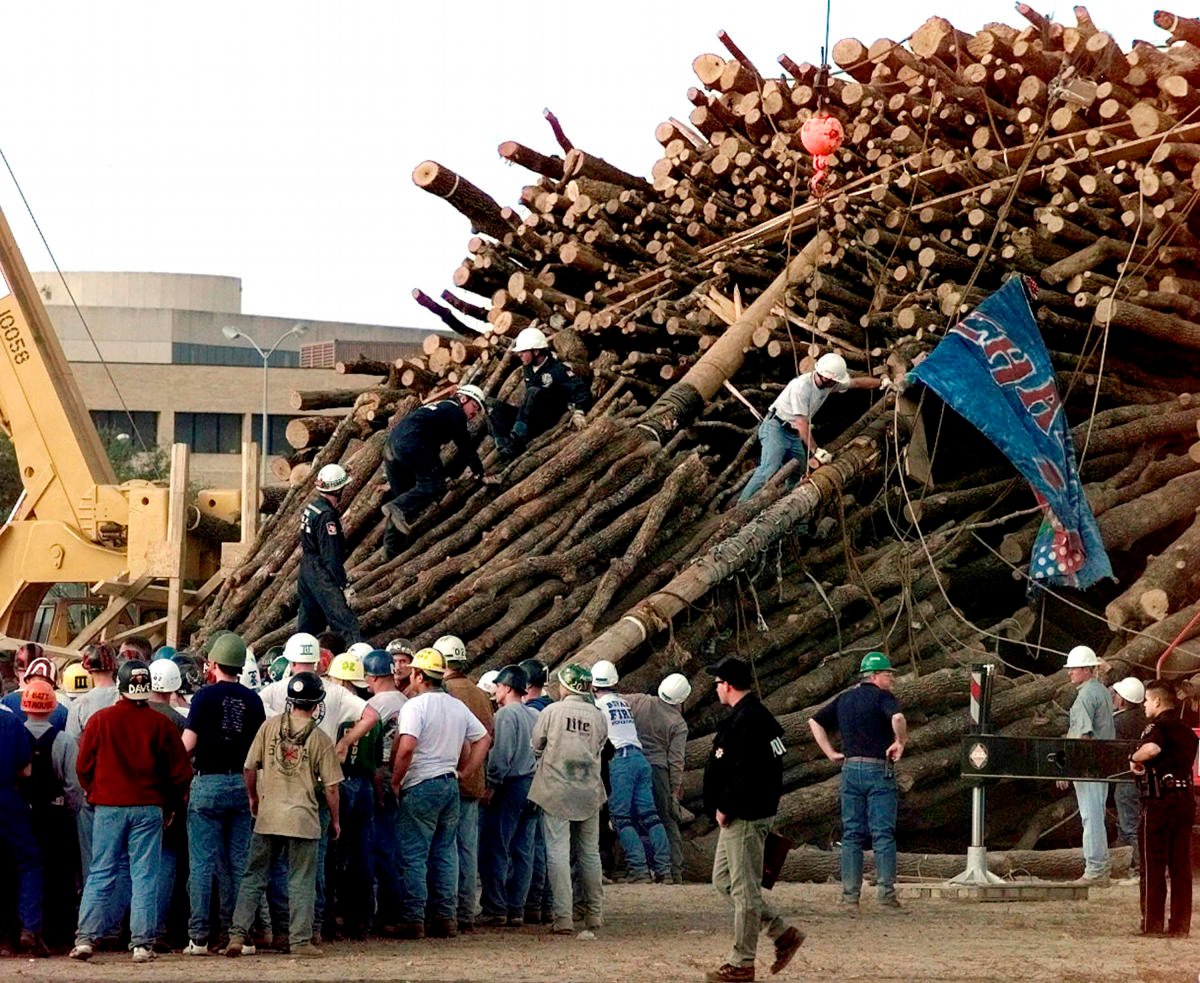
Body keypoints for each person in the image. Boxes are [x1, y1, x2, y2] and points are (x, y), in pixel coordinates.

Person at [70, 660, 192, 963]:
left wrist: (93, 790)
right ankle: (141, 944)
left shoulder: (100, 720)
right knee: (144, 875)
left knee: (101, 872)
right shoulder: (161, 725)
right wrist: (170, 804)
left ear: (121, 687)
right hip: (149, 807)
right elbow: (181, 773)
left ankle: (86, 938)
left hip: (109, 807)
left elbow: (83, 765)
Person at [226, 671, 342, 959]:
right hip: (302, 818)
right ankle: (300, 940)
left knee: (254, 876)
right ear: (317, 704)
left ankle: (237, 936)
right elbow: (331, 788)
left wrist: (254, 798)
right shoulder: (320, 739)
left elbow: (249, 767)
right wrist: (336, 820)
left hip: (269, 815)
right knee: (301, 880)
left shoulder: (270, 727)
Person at [703, 657, 802, 983]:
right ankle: (781, 931)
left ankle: (741, 962)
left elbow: (749, 772)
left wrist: (726, 805)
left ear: (728, 684)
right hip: (743, 814)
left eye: (717, 682)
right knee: (723, 880)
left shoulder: (749, 720)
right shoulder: (753, 716)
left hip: (744, 815)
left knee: (744, 893)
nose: (716, 687)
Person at [390, 647, 490, 939]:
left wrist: (396, 781)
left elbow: (407, 746)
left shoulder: (415, 707)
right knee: (446, 852)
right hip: (449, 784)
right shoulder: (457, 706)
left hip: (421, 784)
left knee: (414, 854)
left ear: (419, 675)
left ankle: (413, 918)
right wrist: (466, 771)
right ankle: (446, 917)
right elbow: (483, 739)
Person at [181, 633, 266, 956]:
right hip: (244, 786)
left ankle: (198, 937)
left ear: (213, 665)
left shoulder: (203, 698)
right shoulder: (253, 700)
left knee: (202, 864)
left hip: (208, 784)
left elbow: (187, 745)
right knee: (240, 863)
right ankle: (238, 935)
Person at [808, 651, 906, 911]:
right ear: (875, 676)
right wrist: (899, 741)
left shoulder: (845, 698)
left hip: (850, 769)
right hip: (878, 769)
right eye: (888, 674)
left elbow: (814, 721)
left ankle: (850, 895)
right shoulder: (884, 698)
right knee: (882, 833)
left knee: (851, 833)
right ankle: (886, 894)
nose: (891, 679)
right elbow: (897, 718)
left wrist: (830, 753)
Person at [738, 352, 886, 503]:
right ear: (824, 377)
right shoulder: (801, 387)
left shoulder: (829, 383)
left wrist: (881, 382)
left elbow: (856, 383)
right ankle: (741, 508)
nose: (835, 383)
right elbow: (802, 422)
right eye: (833, 380)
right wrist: (816, 450)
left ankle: (788, 504)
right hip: (776, 428)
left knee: (798, 471)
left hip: (794, 433)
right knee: (768, 470)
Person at [528, 664, 607, 937]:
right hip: (589, 790)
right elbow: (600, 746)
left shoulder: (551, 712)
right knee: (590, 852)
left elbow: (536, 744)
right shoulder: (597, 716)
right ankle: (595, 913)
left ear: (566, 686)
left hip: (557, 790)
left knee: (558, 852)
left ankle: (563, 917)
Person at [380, 386, 497, 558]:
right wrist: (479, 472)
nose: (476, 413)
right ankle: (395, 507)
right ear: (463, 399)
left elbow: (432, 450)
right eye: (475, 406)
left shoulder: (440, 410)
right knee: (432, 485)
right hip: (411, 444)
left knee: (405, 503)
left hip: (391, 448)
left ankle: (390, 552)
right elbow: (465, 446)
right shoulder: (455, 412)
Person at [591, 659, 671, 883]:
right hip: (640, 758)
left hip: (620, 761)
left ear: (593, 685)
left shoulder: (597, 707)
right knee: (650, 816)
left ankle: (639, 870)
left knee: (621, 819)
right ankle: (665, 870)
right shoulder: (623, 703)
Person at [1130, 679, 1199, 938]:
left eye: (1147, 700)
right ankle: (1180, 925)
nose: (1145, 705)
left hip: (1159, 801)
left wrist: (1133, 758)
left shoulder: (1158, 726)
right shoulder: (1187, 732)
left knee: (1153, 864)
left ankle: (1153, 923)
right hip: (1185, 801)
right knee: (1181, 866)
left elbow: (1152, 748)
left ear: (1157, 701)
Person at [436, 634, 495, 932]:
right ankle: (467, 911)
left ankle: (447, 909)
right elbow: (489, 735)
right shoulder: (480, 694)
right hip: (474, 779)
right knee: (467, 847)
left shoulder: (444, 692)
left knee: (445, 847)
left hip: (447, 775)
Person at [19, 677, 83, 952]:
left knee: (22, 871)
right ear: (52, 707)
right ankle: (57, 934)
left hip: (21, 815)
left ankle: (25, 927)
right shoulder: (64, 740)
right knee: (59, 874)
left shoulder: (15, 733)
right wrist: (73, 812)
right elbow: (73, 785)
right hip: (56, 816)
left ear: (24, 705)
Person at [325, 652, 381, 939]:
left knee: (333, 853)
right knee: (362, 854)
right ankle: (361, 920)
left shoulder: (333, 710)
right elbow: (376, 759)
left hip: (339, 783)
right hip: (365, 786)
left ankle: (328, 921)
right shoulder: (370, 713)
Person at [479, 664, 539, 926]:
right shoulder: (533, 715)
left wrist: (491, 784)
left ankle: (496, 907)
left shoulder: (505, 716)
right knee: (524, 849)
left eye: (498, 686)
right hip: (533, 784)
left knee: (497, 846)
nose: (495, 692)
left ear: (506, 688)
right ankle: (518, 907)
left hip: (511, 785)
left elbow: (502, 755)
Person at [1055, 645, 1115, 885]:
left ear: (1087, 669)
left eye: (1073, 669)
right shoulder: (1101, 691)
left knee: (1090, 817)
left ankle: (1096, 870)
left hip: (1088, 766)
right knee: (1096, 815)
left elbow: (1083, 737)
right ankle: (1101, 866)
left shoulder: (1085, 696)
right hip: (1101, 764)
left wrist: (1068, 768)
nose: (1069, 673)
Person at [626, 672, 691, 885]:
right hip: (658, 771)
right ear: (682, 699)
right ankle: (673, 870)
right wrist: (674, 790)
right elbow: (676, 760)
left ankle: (631, 868)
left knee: (629, 817)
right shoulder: (678, 723)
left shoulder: (639, 701)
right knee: (666, 820)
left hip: (631, 765)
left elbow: (609, 700)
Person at [487, 326, 590, 458]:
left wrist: (579, 411)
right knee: (492, 406)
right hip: (527, 417)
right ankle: (504, 446)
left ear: (536, 351)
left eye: (523, 351)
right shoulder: (528, 368)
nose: (520, 355)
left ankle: (518, 439)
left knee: (533, 391)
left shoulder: (558, 370)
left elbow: (582, 389)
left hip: (545, 420)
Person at [362, 649, 407, 935]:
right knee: (397, 846)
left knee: (378, 847)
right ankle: (397, 910)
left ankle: (386, 913)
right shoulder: (405, 700)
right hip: (403, 772)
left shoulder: (374, 706)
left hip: (381, 771)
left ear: (375, 675)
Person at [1, 691, 45, 956]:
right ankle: (30, 929)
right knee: (28, 863)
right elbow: (26, 770)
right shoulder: (11, 722)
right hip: (7, 801)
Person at [297, 463, 360, 642]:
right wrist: (343, 585)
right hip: (320, 570)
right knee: (347, 625)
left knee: (310, 624)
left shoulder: (312, 507)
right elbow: (331, 557)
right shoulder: (327, 516)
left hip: (306, 568)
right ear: (338, 489)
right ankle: (353, 660)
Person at [519, 657, 553, 923]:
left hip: (534, 781)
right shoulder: (553, 708)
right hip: (555, 782)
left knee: (533, 845)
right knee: (548, 844)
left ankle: (532, 902)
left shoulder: (532, 712)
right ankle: (546, 903)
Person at [1112, 677, 1146, 878]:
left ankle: (1142, 867)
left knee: (1129, 825)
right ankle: (1122, 863)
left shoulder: (1118, 722)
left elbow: (1112, 751)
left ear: (1123, 700)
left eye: (1117, 695)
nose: (1115, 698)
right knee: (1128, 823)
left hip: (1125, 779)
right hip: (1144, 778)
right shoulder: (1146, 718)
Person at [1, 646, 69, 728]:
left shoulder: (8, 701)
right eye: (36, 680)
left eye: (43, 680)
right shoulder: (63, 707)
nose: (39, 684)